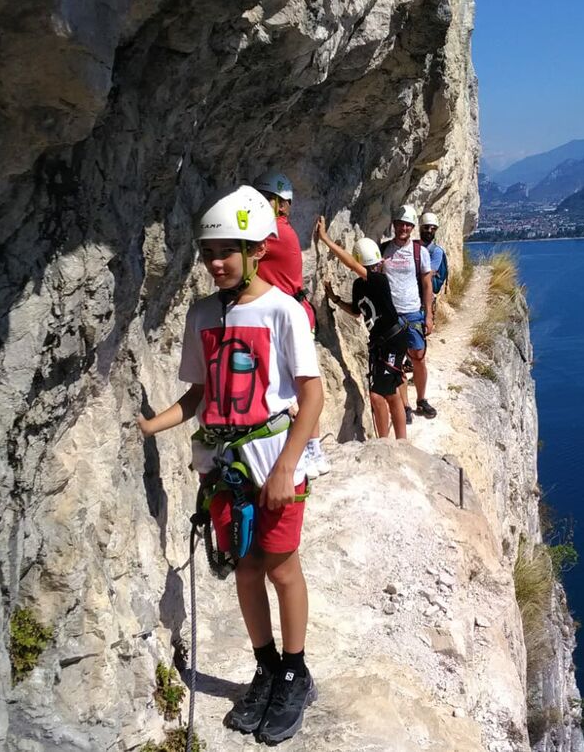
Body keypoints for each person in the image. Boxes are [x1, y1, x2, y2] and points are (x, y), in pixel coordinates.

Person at [137, 185, 322, 744]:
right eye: (208, 251)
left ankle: (295, 672)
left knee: (281, 566)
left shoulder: (283, 311)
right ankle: (266, 668)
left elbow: (311, 396)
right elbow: (198, 395)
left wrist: (287, 467)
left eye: (226, 250)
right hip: (224, 465)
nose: (215, 262)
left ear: (258, 250)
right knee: (245, 569)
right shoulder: (201, 315)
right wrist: (148, 426)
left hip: (274, 459)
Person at [252, 170, 330, 479]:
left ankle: (308, 452)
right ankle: (312, 452)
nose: (259, 205)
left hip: (287, 317)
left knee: (300, 390)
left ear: (282, 206)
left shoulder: (273, 233)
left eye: (266, 200)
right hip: (293, 314)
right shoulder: (279, 230)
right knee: (302, 386)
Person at [314, 216, 408, 439]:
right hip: (384, 342)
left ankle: (385, 444)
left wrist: (326, 239)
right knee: (392, 393)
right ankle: (401, 441)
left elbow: (351, 264)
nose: (376, 267)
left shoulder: (379, 280)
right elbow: (357, 311)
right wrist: (335, 300)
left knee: (377, 396)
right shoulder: (359, 285)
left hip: (391, 341)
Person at [380, 205, 437, 421]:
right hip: (392, 315)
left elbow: (427, 284)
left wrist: (428, 316)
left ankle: (421, 400)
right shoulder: (383, 250)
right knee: (399, 362)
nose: (403, 228)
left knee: (419, 358)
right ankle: (404, 406)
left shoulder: (419, 251)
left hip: (413, 311)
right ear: (394, 225)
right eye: (400, 223)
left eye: (407, 224)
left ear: (412, 227)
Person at [419, 211, 449, 320]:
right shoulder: (413, 246)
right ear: (421, 228)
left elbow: (428, 273)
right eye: (426, 227)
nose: (429, 231)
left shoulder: (436, 251)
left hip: (426, 294)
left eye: (433, 228)